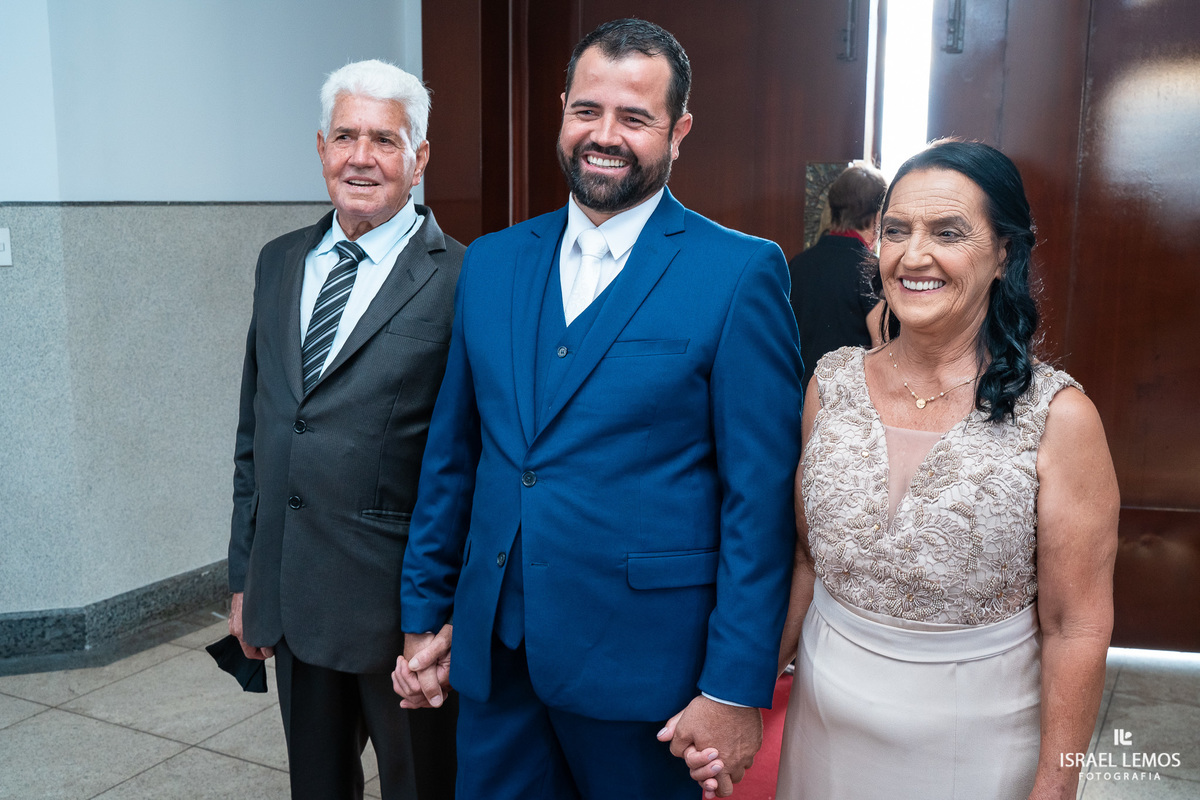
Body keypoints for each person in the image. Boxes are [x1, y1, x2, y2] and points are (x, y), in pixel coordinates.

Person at [391, 18, 803, 800]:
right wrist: (424, 615)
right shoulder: (493, 261)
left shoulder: (738, 273)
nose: (604, 136)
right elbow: (453, 457)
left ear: (679, 130)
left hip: (649, 673)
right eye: (587, 110)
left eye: (634, 117)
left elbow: (759, 505)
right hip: (497, 659)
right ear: (562, 111)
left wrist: (733, 687)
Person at [771, 140, 1119, 799]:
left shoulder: (1059, 418)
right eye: (896, 230)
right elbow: (807, 562)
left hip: (977, 742)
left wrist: (1057, 785)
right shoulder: (831, 386)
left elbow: (1076, 626)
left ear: (1005, 253)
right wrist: (743, 691)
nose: (913, 255)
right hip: (823, 731)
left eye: (949, 233)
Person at [227, 59, 461, 800]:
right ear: (321, 147)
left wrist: (442, 616)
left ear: (419, 158)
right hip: (293, 596)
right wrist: (247, 577)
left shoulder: (464, 278)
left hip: (400, 615)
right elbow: (258, 431)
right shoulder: (278, 262)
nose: (361, 157)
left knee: (422, 787)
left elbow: (470, 461)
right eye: (345, 136)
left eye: (385, 140)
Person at [788, 161, 887, 387]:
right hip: (844, 397)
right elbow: (883, 348)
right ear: (877, 216)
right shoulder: (870, 268)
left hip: (798, 392)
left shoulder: (797, 264)